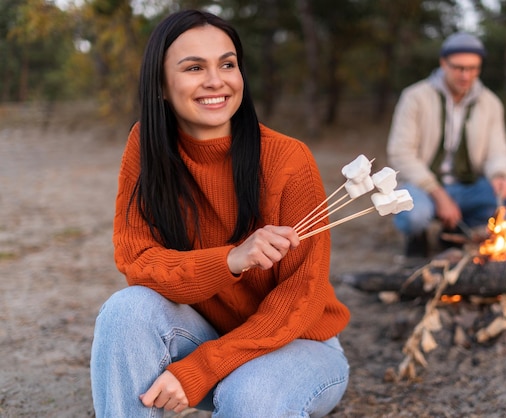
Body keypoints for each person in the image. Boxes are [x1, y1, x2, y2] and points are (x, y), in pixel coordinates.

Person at [90, 9, 350, 417]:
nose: (216, 81)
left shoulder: (287, 160)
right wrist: (229, 260)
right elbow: (136, 261)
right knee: (126, 311)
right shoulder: (147, 146)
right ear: (160, 84)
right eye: (194, 67)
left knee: (249, 393)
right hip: (208, 334)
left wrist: (201, 368)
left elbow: (302, 298)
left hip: (299, 346)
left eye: (227, 64)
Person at [386, 32, 506, 257]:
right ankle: (417, 238)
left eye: (473, 68)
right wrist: (438, 193)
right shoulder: (415, 97)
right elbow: (400, 153)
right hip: (422, 187)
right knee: (414, 214)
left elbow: (497, 150)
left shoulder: (490, 103)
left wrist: (500, 174)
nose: (466, 75)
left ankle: (454, 232)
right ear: (443, 63)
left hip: (468, 186)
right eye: (459, 68)